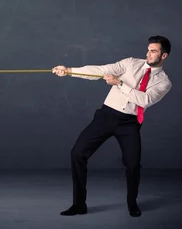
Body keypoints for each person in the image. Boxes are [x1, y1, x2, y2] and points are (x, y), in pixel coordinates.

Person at [52, 36, 172, 218]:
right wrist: (68, 70)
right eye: (148, 49)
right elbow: (101, 70)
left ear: (164, 56)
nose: (148, 54)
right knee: (77, 153)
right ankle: (79, 205)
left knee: (133, 165)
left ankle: (132, 204)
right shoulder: (131, 63)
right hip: (106, 116)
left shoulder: (164, 82)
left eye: (153, 51)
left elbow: (144, 100)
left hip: (129, 124)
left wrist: (120, 84)